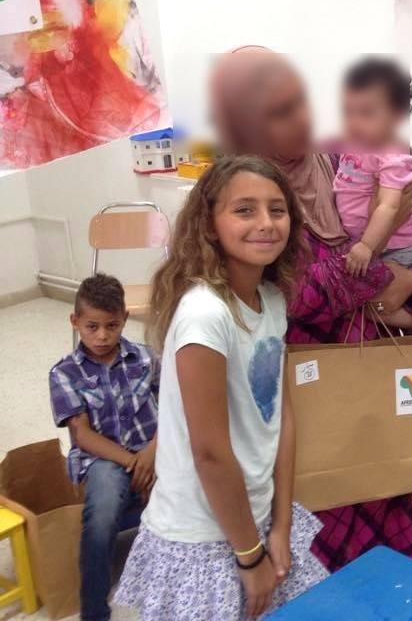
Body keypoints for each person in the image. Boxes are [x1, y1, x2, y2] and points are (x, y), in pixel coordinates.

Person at [208, 48, 412, 573]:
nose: (301, 120)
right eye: (279, 112)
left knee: (381, 497)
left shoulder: (335, 159)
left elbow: (410, 226)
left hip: (365, 374)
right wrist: (379, 270)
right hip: (300, 390)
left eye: (302, 102)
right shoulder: (237, 192)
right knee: (317, 529)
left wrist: (410, 277)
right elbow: (300, 293)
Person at [114, 157, 328, 620]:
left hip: (257, 516)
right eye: (244, 210)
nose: (266, 223)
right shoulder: (205, 316)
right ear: (210, 225)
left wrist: (281, 524)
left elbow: (281, 416)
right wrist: (249, 555)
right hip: (207, 534)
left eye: (277, 209)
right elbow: (209, 452)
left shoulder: (270, 300)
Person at [49, 274, 158, 621]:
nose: (102, 336)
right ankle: (94, 610)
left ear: (124, 318)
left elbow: (176, 407)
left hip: (154, 447)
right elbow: (82, 435)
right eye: (92, 326)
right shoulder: (64, 373)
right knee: (103, 510)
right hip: (102, 459)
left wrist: (153, 453)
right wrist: (136, 463)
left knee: (200, 480)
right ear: (75, 321)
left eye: (111, 326)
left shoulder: (147, 358)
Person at [334, 57, 412, 334]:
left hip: (394, 248)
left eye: (366, 113)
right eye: (347, 112)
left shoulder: (392, 154)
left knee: (367, 306)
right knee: (360, 305)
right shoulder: (353, 143)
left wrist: (367, 246)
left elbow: (389, 206)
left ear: (396, 116)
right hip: (367, 243)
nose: (354, 122)